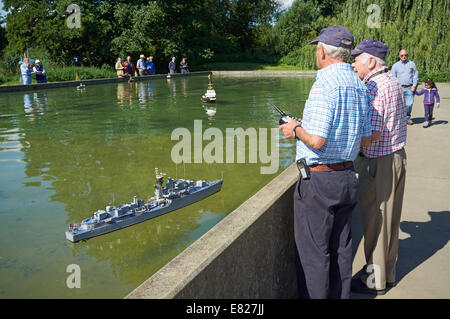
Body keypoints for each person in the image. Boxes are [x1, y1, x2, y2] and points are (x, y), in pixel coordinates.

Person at [279, 25, 372, 299]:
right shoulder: (360, 85)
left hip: (319, 182)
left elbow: (317, 141)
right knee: (342, 250)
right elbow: (365, 139)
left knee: (314, 253)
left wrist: (295, 129)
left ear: (322, 51)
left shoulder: (324, 83)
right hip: (347, 177)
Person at [350, 40, 407, 295]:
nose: (353, 63)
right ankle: (388, 273)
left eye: (356, 58)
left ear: (371, 61)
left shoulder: (373, 86)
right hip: (395, 158)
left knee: (375, 224)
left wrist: (342, 140)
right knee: (390, 222)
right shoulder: (392, 80)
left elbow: (370, 135)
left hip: (377, 163)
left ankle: (374, 281)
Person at [391, 49, 418, 125]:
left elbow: (415, 75)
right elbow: (392, 77)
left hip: (410, 88)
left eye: (405, 55)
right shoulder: (395, 66)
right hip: (399, 88)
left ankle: (407, 118)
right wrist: (394, 88)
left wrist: (414, 85)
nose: (404, 56)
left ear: (407, 55)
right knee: (398, 105)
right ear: (399, 56)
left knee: (409, 104)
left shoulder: (412, 64)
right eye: (402, 55)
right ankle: (399, 119)